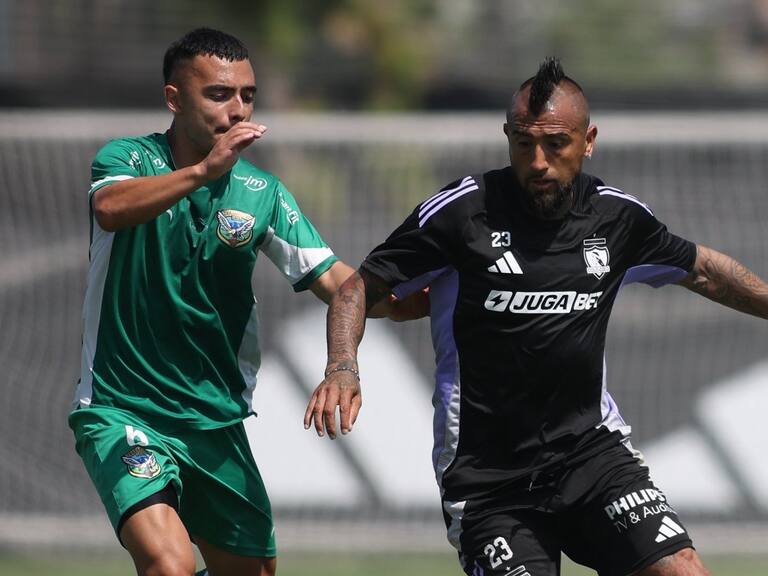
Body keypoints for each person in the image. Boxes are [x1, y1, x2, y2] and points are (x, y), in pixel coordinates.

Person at [305, 57, 768, 576]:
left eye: (556, 144)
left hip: (591, 455)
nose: (539, 161)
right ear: (507, 138)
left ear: (588, 141)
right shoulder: (461, 213)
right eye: (524, 144)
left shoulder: (617, 218)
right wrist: (342, 366)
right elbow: (358, 287)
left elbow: (704, 270)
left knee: (682, 570)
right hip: (489, 480)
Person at [69, 28, 424, 576]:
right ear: (174, 99)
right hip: (123, 408)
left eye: (248, 95)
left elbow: (339, 284)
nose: (238, 110)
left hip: (215, 422)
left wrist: (407, 302)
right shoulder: (129, 159)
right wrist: (202, 173)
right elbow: (111, 209)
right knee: (168, 566)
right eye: (219, 94)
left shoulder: (263, 194)